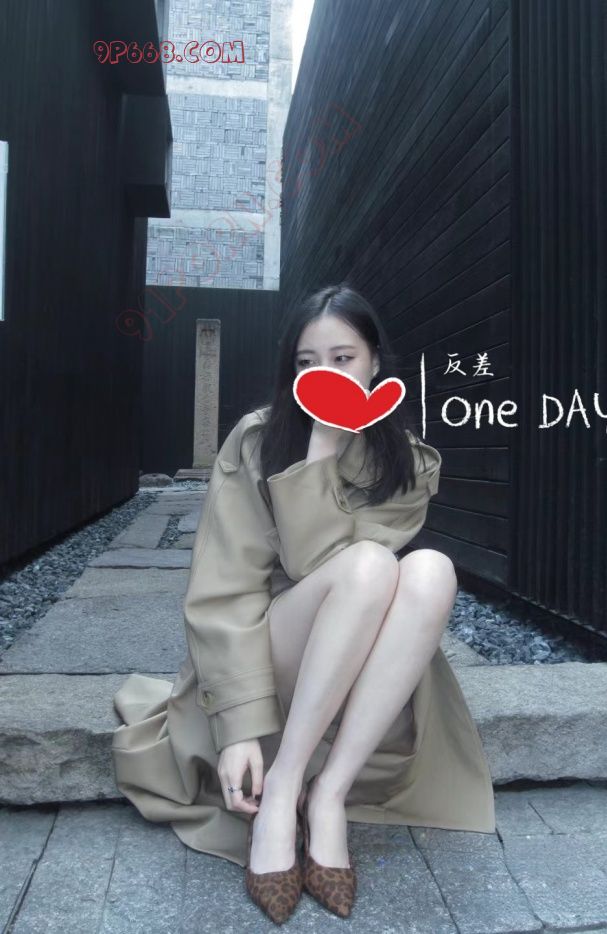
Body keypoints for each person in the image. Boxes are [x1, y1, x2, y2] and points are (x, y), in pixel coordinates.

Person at [111, 283, 496, 925]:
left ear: (375, 362)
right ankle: (284, 784)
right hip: (270, 651)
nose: (325, 374)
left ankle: (328, 794)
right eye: (307, 362)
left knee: (430, 569)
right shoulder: (256, 441)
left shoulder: (406, 460)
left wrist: (338, 446)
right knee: (370, 564)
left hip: (348, 662)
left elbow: (336, 568)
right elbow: (224, 587)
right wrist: (237, 726)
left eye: (343, 358)